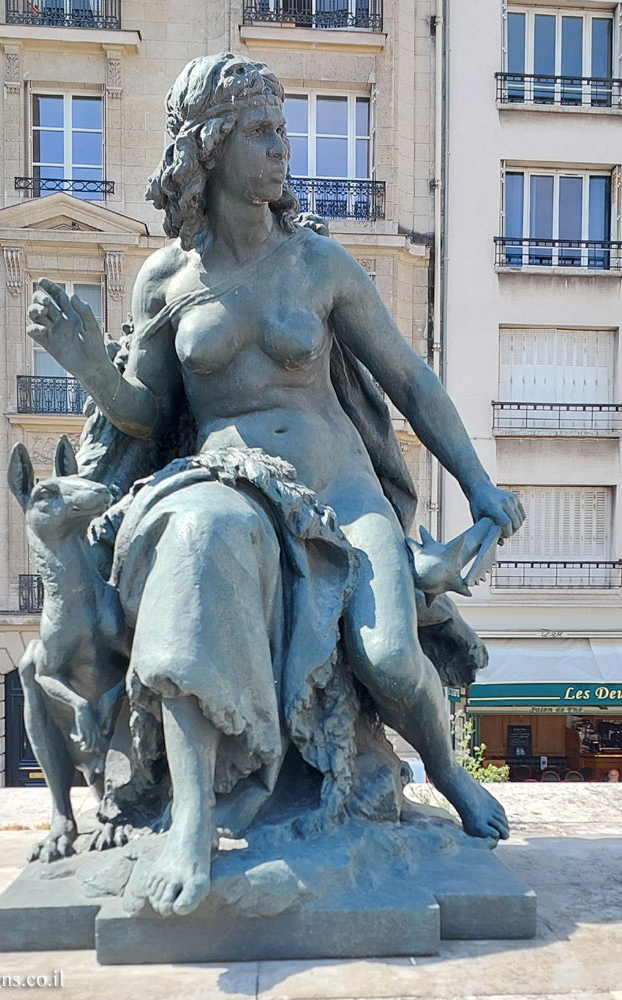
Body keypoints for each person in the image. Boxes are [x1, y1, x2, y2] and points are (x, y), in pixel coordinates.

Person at [26, 53, 524, 917]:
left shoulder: (319, 264)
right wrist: (92, 377)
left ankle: (444, 773)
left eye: (281, 131)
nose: (281, 150)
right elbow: (147, 410)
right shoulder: (168, 280)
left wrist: (479, 486)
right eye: (261, 133)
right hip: (221, 477)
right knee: (197, 544)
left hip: (339, 487)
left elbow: (408, 379)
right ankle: (190, 818)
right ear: (211, 149)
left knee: (388, 655)